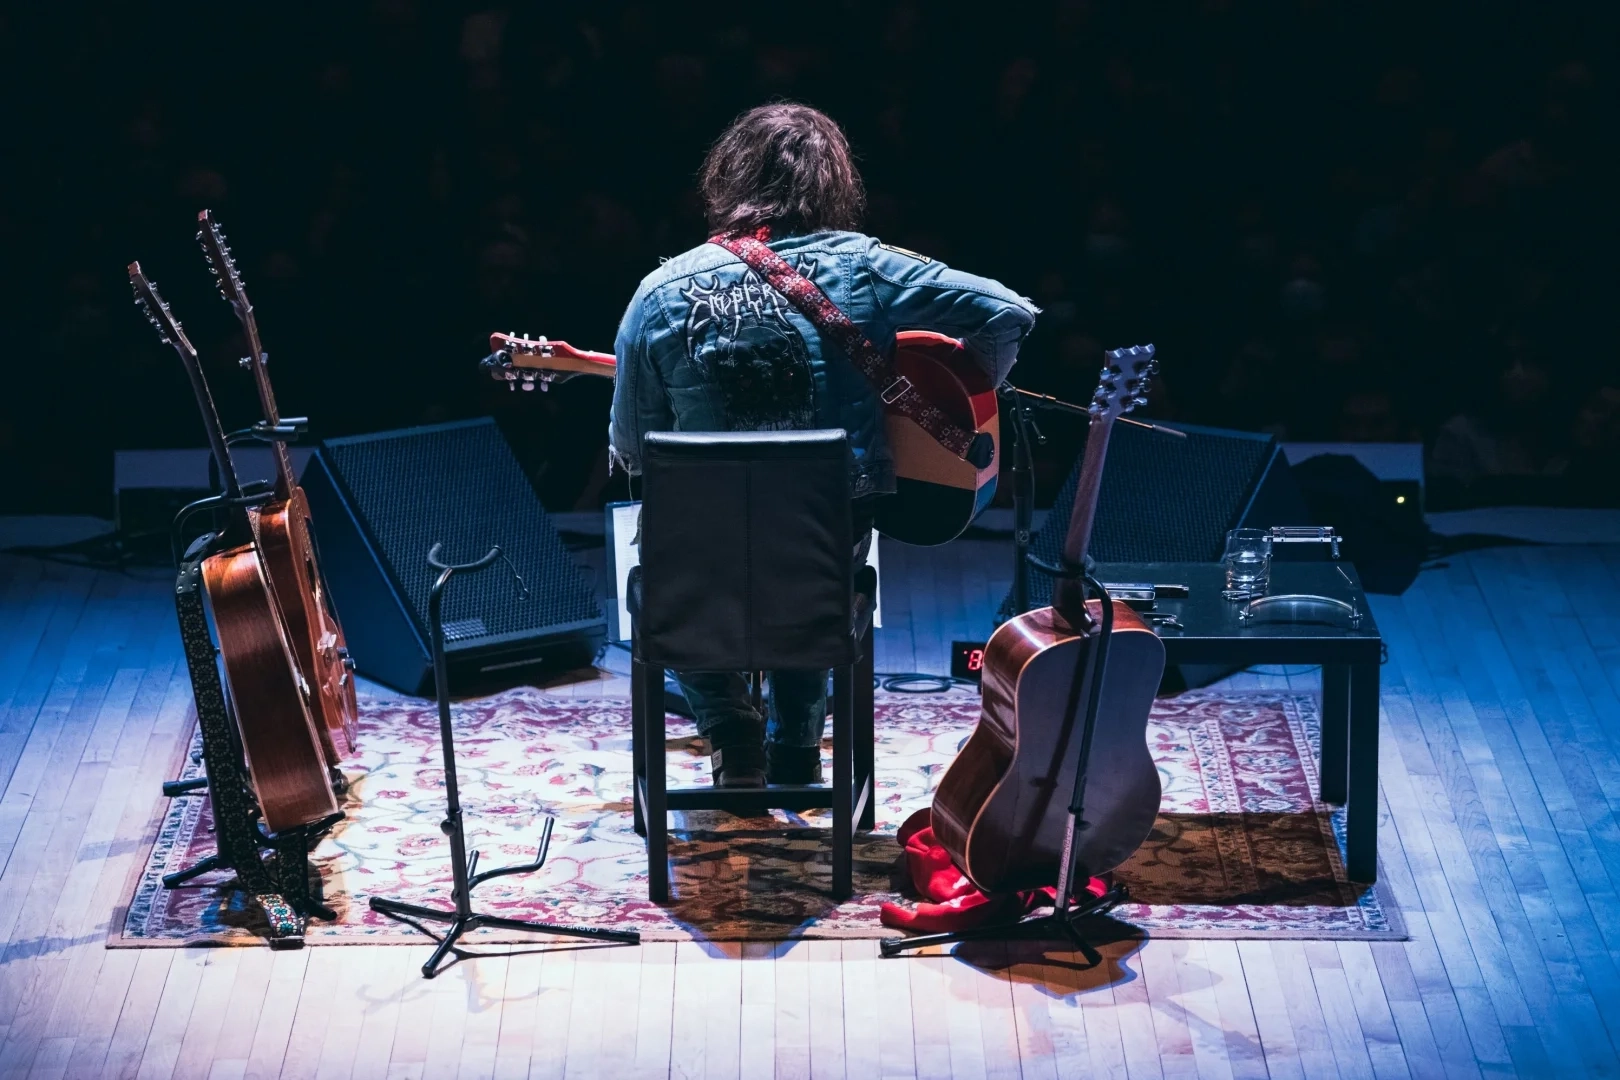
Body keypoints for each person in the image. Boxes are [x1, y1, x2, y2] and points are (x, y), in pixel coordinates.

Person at [609, 103, 1038, 788]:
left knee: (663, 558)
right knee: (816, 570)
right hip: (819, 554)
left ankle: (730, 735)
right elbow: (1008, 312)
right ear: (833, 183)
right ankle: (797, 747)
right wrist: (962, 392)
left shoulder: (657, 291)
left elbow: (633, 449)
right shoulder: (863, 265)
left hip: (701, 563)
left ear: (728, 176)